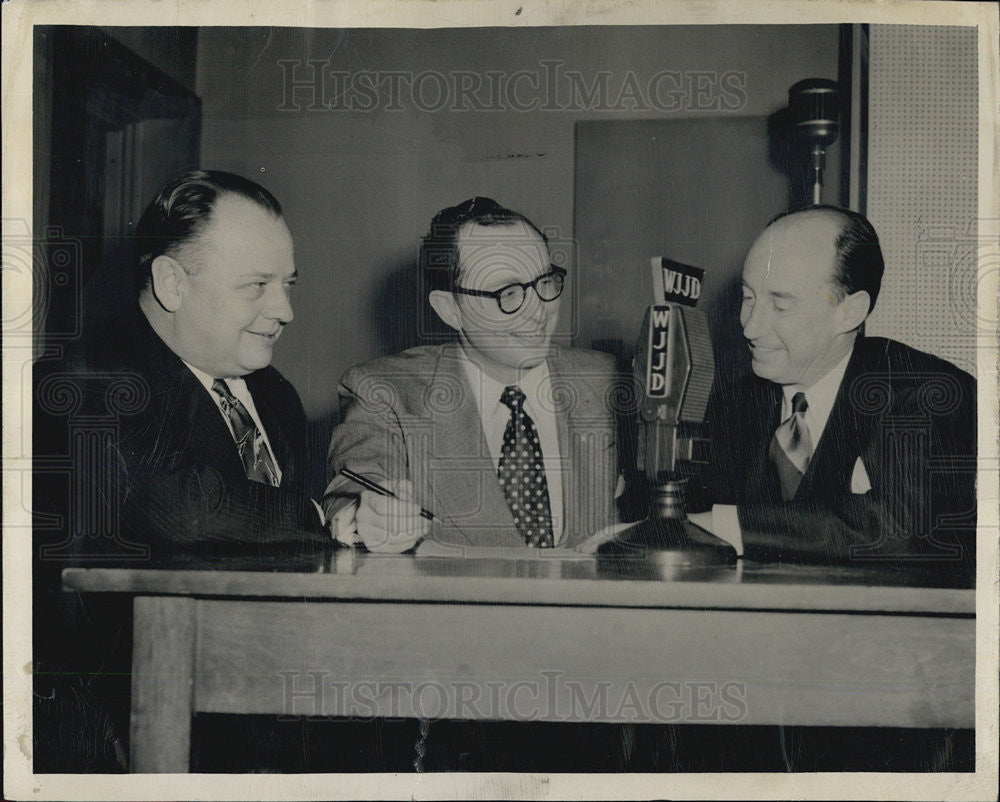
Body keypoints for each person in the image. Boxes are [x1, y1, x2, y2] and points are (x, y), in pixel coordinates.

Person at [32, 169, 329, 770]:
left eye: (288, 283)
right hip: (123, 734)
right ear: (171, 281)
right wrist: (330, 515)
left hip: (274, 712)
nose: (286, 310)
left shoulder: (276, 396)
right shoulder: (83, 378)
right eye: (257, 286)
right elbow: (180, 509)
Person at [323, 196, 630, 552]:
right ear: (450, 309)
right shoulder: (386, 393)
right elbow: (350, 490)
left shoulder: (611, 379)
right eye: (508, 292)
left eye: (545, 282)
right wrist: (367, 518)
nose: (538, 311)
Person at [703, 205, 976, 582]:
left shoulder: (927, 391)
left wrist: (724, 525)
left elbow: (905, 530)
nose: (749, 327)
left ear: (849, 312)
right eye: (748, 298)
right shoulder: (732, 405)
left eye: (780, 305)